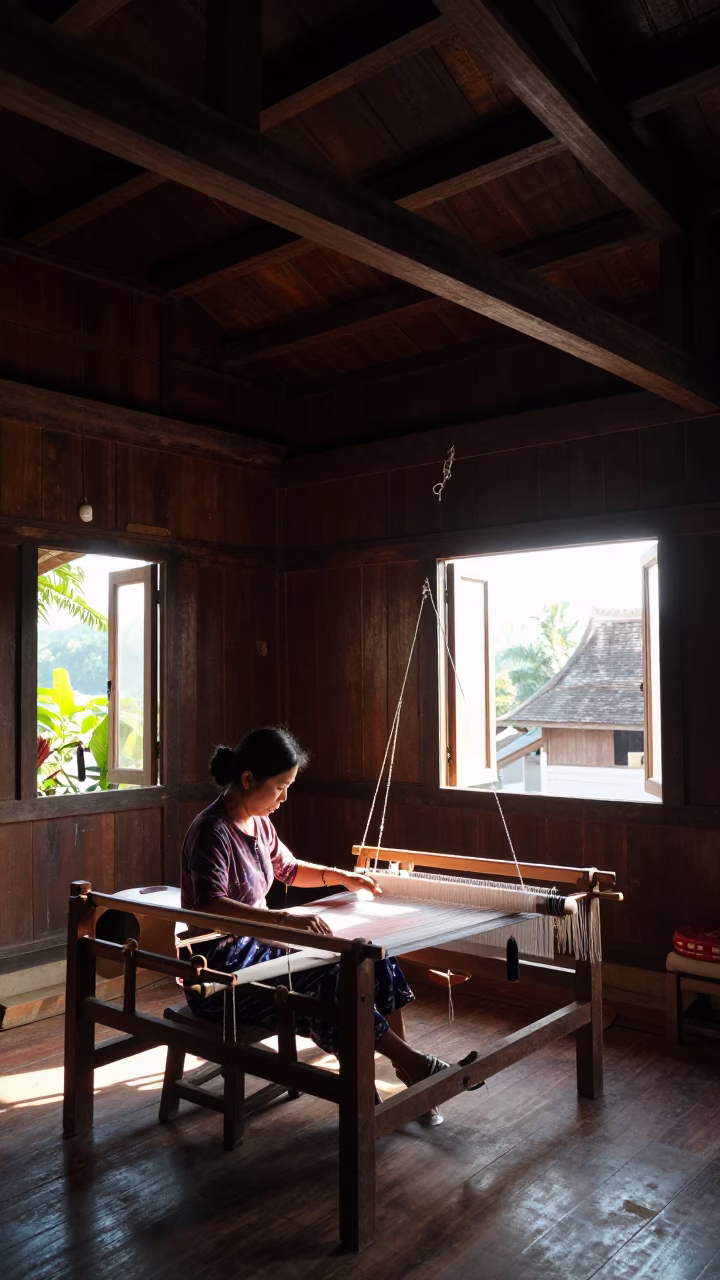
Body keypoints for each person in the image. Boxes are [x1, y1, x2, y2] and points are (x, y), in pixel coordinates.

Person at [180, 725, 457, 1121]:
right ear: (247, 779)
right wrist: (283, 921)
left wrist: (341, 876)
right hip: (221, 972)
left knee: (372, 959)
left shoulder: (258, 824)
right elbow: (210, 905)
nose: (284, 797)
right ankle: (404, 1067)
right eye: (279, 786)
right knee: (333, 983)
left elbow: (288, 869)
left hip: (263, 948)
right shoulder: (212, 831)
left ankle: (406, 1070)